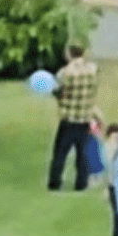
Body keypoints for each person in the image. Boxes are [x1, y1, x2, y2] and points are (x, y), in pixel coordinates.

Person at [46, 42, 96, 192]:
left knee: (60, 154)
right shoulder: (93, 70)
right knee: (82, 154)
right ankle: (81, 183)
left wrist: (57, 95)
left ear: (69, 54)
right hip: (85, 118)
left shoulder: (65, 72)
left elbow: (57, 90)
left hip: (68, 119)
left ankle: (54, 183)